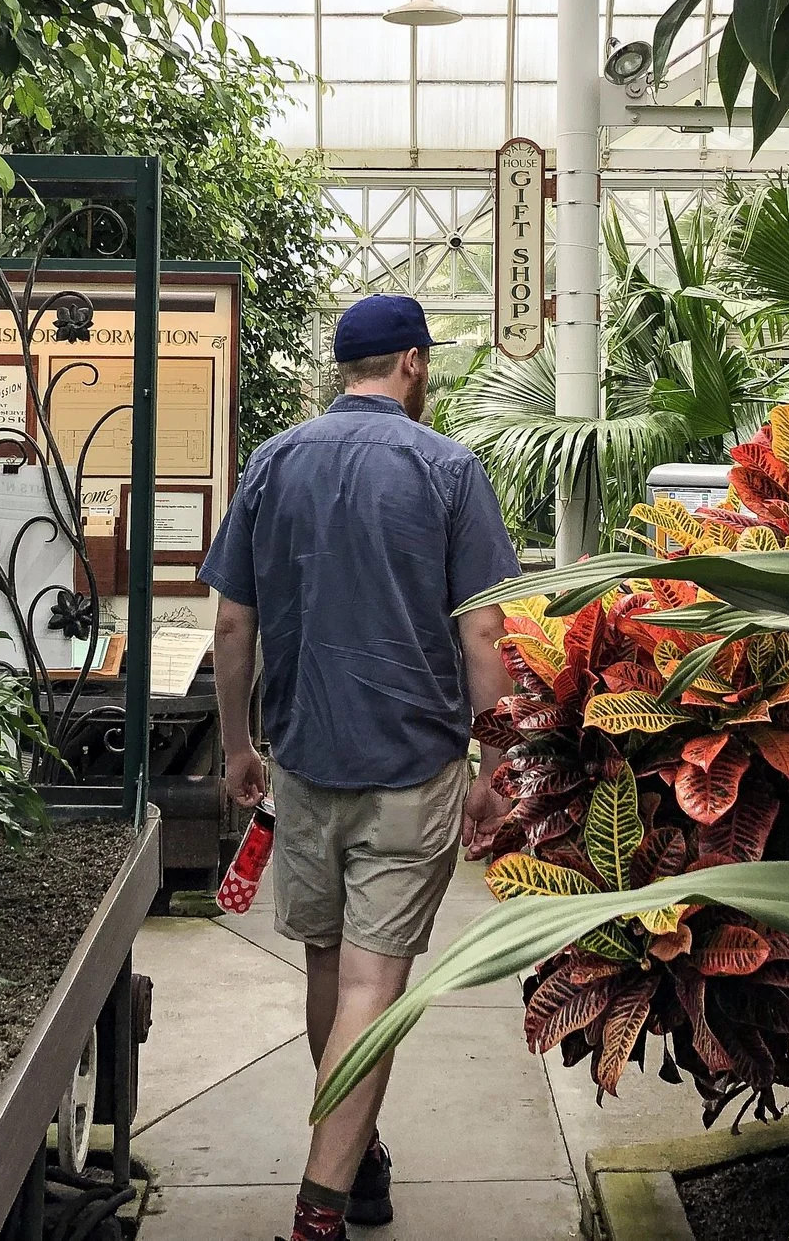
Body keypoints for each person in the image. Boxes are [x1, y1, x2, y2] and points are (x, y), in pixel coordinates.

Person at [202, 293, 521, 1241]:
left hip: (303, 761)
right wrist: (496, 764)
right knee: (371, 985)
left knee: (328, 965)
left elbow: (232, 625)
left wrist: (238, 746)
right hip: (412, 766)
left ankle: (360, 1151)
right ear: (412, 362)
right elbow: (486, 633)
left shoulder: (273, 461)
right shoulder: (449, 468)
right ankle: (320, 1211)